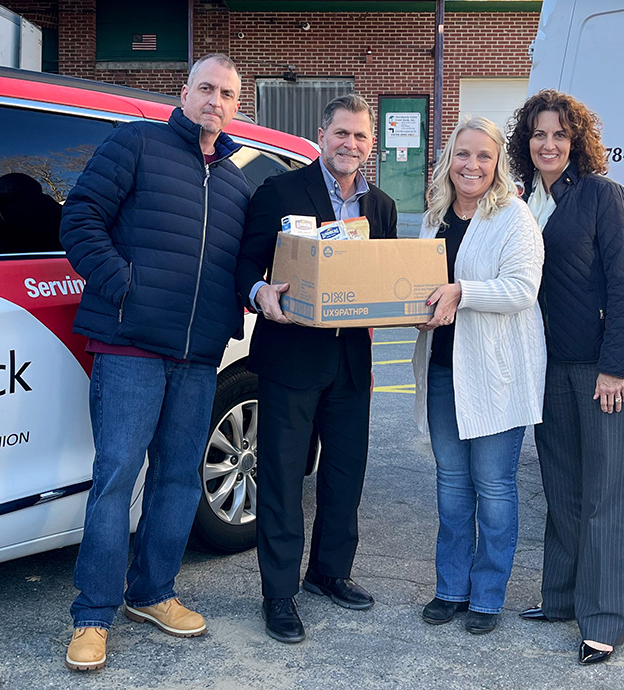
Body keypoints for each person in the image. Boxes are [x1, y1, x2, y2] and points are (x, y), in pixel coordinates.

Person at [58, 53, 250, 672]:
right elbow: (80, 219)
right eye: (205, 89)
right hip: (130, 345)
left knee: (177, 478)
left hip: (197, 356)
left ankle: (154, 592)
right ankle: (93, 614)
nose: (214, 101)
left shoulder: (235, 184)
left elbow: (243, 265)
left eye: (226, 94)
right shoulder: (135, 144)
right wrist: (123, 284)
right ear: (184, 92)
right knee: (116, 477)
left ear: (235, 106)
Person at [235, 94, 398, 644]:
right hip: (291, 358)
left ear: (369, 145)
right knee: (282, 477)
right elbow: (244, 265)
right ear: (321, 135)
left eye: (360, 137)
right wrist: (260, 295)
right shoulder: (279, 193)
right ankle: (279, 594)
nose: (350, 145)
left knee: (345, 474)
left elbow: (382, 277)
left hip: (352, 361)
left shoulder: (381, 206)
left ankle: (329, 572)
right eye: (341, 134)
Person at [507, 89, 624, 665]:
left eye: (560, 135)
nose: (548, 144)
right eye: (539, 134)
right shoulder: (520, 202)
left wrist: (614, 367)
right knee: (561, 488)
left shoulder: (602, 195)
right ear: (526, 142)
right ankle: (560, 598)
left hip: (603, 367)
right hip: (550, 365)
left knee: (604, 495)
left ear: (577, 141)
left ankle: (603, 620)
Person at [410, 117, 545, 635]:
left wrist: (462, 292)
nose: (472, 165)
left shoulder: (514, 217)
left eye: (483, 157)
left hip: (495, 376)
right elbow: (422, 285)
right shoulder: (435, 216)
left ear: (498, 164)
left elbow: (521, 289)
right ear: (449, 159)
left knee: (493, 488)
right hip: (444, 370)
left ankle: (487, 594)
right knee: (451, 486)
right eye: (463, 154)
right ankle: (450, 588)